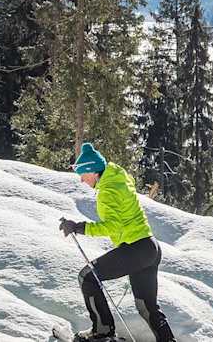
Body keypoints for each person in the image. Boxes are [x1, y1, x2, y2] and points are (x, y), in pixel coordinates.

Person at [59, 142, 176, 342]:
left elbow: (112, 226)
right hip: (150, 247)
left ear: (93, 171)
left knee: (87, 277)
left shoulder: (107, 191)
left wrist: (79, 227)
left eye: (83, 174)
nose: (81, 179)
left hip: (135, 247)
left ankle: (102, 332)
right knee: (146, 306)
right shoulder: (117, 180)